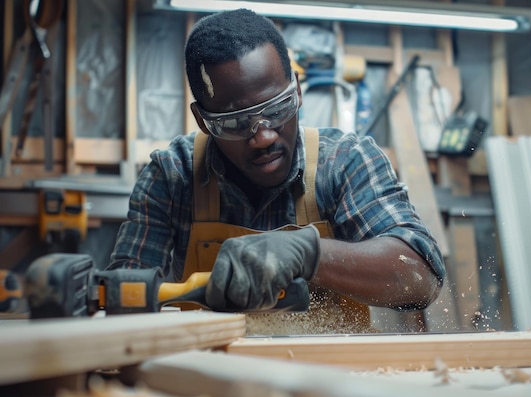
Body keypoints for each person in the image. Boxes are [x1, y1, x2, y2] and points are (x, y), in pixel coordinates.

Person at [107, 8, 446, 334]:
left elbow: (421, 279)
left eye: (278, 107)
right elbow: (122, 300)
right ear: (204, 121)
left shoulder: (344, 162)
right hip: (210, 379)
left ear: (297, 90)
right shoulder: (173, 176)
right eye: (236, 122)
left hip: (335, 377)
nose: (264, 137)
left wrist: (310, 255)